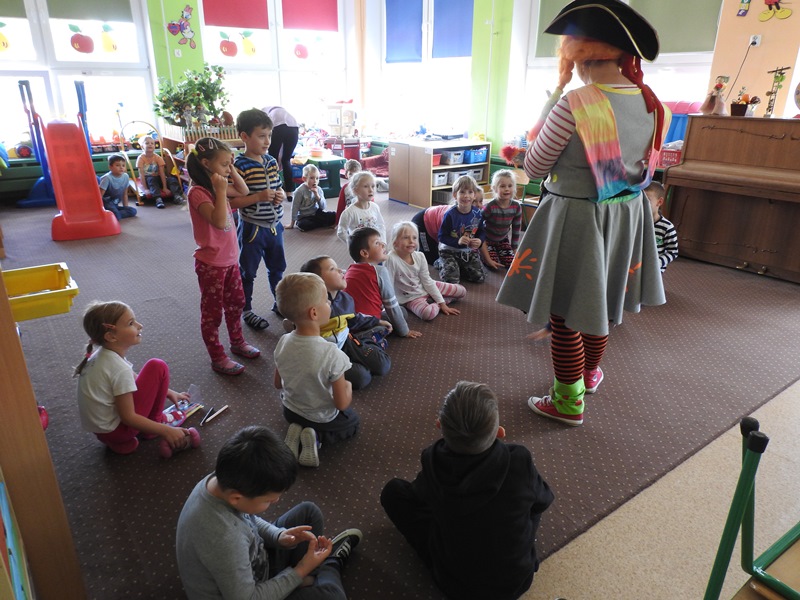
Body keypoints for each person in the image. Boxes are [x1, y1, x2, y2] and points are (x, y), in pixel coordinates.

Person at [496, 0, 671, 426]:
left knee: (564, 314)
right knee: (600, 303)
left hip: (577, 219)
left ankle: (568, 401)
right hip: (626, 215)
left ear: (578, 55)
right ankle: (589, 374)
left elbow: (535, 167)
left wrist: (550, 106)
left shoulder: (576, 103)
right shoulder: (655, 105)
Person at [380, 381, 554, 600]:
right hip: (517, 580)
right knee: (525, 503)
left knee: (393, 492)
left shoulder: (432, 462)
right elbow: (544, 501)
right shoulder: (519, 460)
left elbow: (418, 497)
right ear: (499, 432)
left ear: (439, 425)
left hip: (456, 587)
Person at [176, 425, 362, 599]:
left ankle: (306, 578)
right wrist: (301, 570)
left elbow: (247, 519)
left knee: (309, 513)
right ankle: (330, 563)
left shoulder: (219, 481)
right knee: (332, 596)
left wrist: (278, 536)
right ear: (236, 498)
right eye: (269, 500)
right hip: (249, 592)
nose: (276, 501)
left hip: (254, 561)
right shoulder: (223, 538)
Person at [74, 300, 198, 456]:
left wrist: (168, 392)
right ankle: (154, 423)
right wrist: (166, 430)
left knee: (142, 380)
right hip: (120, 429)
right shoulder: (118, 368)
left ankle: (119, 442)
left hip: (103, 432)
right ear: (111, 336)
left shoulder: (103, 355)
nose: (140, 326)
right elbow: (129, 418)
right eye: (131, 323)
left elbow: (135, 380)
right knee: (157, 366)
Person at [186, 136, 261, 376]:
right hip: (211, 264)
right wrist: (219, 190)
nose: (229, 169)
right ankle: (217, 356)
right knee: (212, 312)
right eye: (224, 164)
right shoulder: (198, 192)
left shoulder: (218, 186)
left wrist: (231, 170)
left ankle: (237, 342)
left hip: (230, 261)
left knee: (236, 303)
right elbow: (219, 221)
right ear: (206, 164)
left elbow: (244, 190)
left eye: (230, 163)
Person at [274, 273, 358, 468]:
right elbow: (341, 404)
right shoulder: (331, 353)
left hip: (290, 411)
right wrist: (347, 387)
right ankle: (316, 438)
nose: (329, 303)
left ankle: (297, 430)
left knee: (300, 415)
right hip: (322, 418)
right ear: (314, 313)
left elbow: (277, 384)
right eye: (326, 300)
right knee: (352, 422)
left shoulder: (283, 341)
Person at [301, 255, 392, 390]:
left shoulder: (345, 298)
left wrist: (376, 321)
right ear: (318, 281)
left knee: (383, 364)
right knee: (362, 377)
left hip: (347, 341)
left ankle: (366, 339)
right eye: (332, 269)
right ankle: (367, 342)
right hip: (327, 354)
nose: (340, 270)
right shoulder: (312, 309)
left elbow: (354, 319)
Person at [235, 108, 288, 330]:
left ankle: (280, 303)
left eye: (269, 135)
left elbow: (278, 187)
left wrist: (280, 194)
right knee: (248, 271)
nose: (267, 141)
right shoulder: (239, 166)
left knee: (278, 268)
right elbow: (232, 202)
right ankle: (246, 310)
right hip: (253, 228)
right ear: (245, 136)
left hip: (275, 226)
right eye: (261, 136)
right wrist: (257, 197)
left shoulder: (271, 161)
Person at [344, 227, 422, 339]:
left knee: (397, 311)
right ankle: (368, 335)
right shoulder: (379, 271)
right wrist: (404, 331)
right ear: (365, 253)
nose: (383, 245)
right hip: (369, 322)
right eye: (377, 243)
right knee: (401, 312)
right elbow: (391, 305)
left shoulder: (350, 269)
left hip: (351, 322)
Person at [386, 221, 465, 321]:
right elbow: (387, 286)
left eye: (414, 238)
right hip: (410, 298)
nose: (411, 241)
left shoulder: (420, 256)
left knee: (462, 291)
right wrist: (386, 307)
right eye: (406, 238)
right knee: (428, 314)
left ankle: (436, 299)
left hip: (425, 286)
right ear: (395, 242)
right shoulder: (391, 259)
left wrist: (442, 303)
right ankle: (435, 300)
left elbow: (427, 280)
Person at [436, 175, 486, 284]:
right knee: (452, 280)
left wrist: (480, 240)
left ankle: (458, 267)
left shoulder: (477, 213)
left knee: (479, 277)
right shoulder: (450, 214)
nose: (466, 196)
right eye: (462, 192)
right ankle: (440, 262)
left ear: (474, 195)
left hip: (467, 251)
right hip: (448, 250)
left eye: (470, 192)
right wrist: (457, 241)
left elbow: (482, 231)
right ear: (455, 195)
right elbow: (441, 236)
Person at [481, 169, 523, 270]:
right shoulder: (490, 206)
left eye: (510, 186)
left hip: (503, 240)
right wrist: (480, 244)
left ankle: (498, 251)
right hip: (487, 240)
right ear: (495, 188)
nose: (507, 189)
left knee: (510, 263)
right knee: (492, 264)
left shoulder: (516, 207)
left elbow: (516, 229)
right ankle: (480, 253)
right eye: (502, 186)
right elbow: (478, 224)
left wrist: (514, 248)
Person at [135, 135, 186, 209]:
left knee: (172, 180)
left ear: (154, 146)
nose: (150, 145)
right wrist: (145, 188)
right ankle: (158, 199)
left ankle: (176, 196)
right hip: (148, 179)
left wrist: (165, 187)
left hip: (158, 177)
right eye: (147, 143)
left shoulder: (158, 158)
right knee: (152, 179)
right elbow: (141, 174)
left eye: (152, 143)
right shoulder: (141, 158)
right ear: (142, 146)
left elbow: (162, 173)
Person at [336, 171, 386, 246]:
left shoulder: (375, 207)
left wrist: (383, 241)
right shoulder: (349, 212)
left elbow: (381, 225)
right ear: (355, 190)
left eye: (373, 186)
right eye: (366, 186)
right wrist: (353, 244)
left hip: (374, 245)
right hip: (360, 248)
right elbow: (341, 232)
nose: (371, 190)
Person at [263, 105, 300, 201]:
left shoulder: (265, 112)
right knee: (286, 159)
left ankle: (273, 189)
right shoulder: (284, 112)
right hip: (294, 128)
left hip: (278, 127)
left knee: (272, 159)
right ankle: (289, 193)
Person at [289, 164, 335, 231]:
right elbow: (295, 207)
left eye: (317, 178)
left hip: (316, 213)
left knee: (333, 215)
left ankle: (319, 223)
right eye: (312, 178)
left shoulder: (319, 189)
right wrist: (292, 223)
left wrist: (317, 195)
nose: (315, 181)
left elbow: (323, 207)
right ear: (304, 179)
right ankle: (321, 224)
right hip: (304, 216)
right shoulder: (299, 191)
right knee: (304, 224)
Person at [644, 181, 678, 272]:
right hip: (635, 267)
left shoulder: (667, 227)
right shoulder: (635, 222)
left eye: (647, 200)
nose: (642, 204)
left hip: (654, 271)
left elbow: (673, 252)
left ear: (659, 202)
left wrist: (658, 263)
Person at [99, 154, 137, 220]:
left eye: (123, 165)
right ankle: (112, 214)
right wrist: (100, 209)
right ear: (110, 167)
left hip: (115, 203)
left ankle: (112, 214)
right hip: (107, 203)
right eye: (117, 165)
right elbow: (100, 195)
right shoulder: (107, 178)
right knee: (117, 216)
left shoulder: (126, 176)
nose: (121, 167)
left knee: (133, 211)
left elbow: (125, 194)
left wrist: (125, 207)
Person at [334, 159, 362, 225]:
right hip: (351, 214)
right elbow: (341, 206)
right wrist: (337, 222)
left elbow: (370, 202)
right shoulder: (345, 188)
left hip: (362, 213)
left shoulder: (363, 186)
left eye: (356, 174)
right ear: (346, 174)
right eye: (351, 174)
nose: (353, 177)